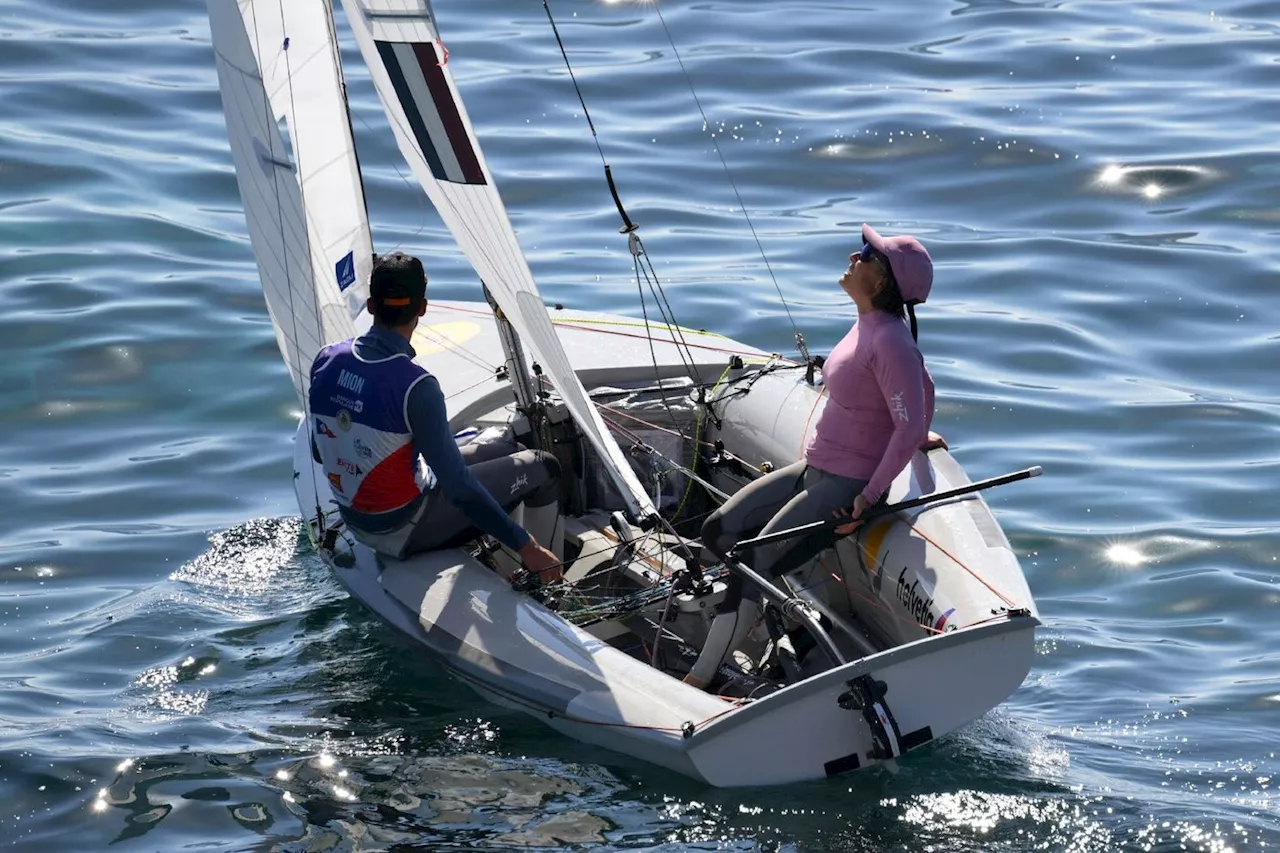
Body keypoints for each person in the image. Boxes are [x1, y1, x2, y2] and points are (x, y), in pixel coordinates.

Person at [684, 224, 946, 690]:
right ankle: (783, 618)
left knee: (750, 564)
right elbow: (922, 387)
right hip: (815, 468)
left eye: (866, 254)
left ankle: (698, 680)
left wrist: (869, 494)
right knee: (717, 530)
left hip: (846, 487)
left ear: (882, 280)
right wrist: (919, 426)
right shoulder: (869, 324)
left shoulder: (890, 340)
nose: (854, 255)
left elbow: (908, 416)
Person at [308, 251, 563, 583]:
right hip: (402, 530)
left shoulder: (326, 359)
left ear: (371, 306)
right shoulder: (416, 386)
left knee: (506, 448)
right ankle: (545, 580)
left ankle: (506, 558)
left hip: (357, 519)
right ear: (422, 308)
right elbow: (459, 489)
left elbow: (319, 450)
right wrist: (526, 545)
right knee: (544, 466)